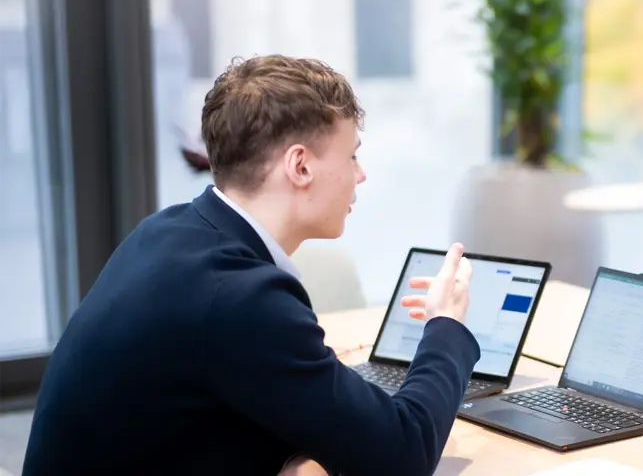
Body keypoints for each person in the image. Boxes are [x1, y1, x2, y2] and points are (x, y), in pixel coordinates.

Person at [24, 55, 480, 475]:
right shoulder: (240, 297)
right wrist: (445, 326)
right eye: (352, 155)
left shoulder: (166, 231)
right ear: (299, 166)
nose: (360, 174)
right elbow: (403, 453)